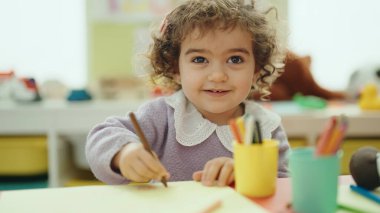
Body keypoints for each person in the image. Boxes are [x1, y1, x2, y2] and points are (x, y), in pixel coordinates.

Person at [86, 0, 290, 187]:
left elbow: (284, 186)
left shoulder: (265, 126)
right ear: (175, 69)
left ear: (256, 70)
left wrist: (247, 175)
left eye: (235, 59)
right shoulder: (162, 116)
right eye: (200, 60)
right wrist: (124, 153)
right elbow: (103, 135)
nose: (218, 76)